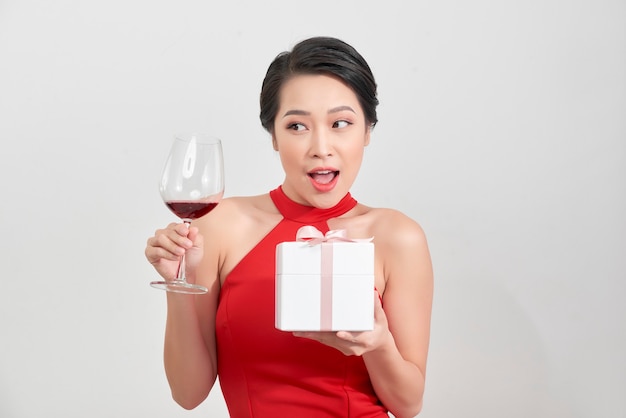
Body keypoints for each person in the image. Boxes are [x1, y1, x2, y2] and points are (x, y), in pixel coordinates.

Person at [145, 36, 433, 418]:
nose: (321, 146)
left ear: (366, 132)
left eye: (341, 123)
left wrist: (378, 344)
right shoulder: (221, 225)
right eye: (297, 126)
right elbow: (188, 393)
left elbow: (408, 404)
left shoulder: (398, 236)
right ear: (274, 137)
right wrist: (178, 283)